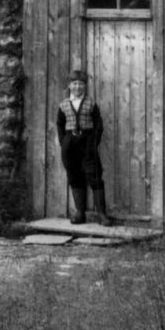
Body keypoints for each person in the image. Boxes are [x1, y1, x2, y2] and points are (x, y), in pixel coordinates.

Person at [56, 70, 112, 225]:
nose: (77, 87)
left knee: (94, 175)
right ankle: (80, 213)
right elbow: (60, 124)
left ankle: (102, 214)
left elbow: (98, 125)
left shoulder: (91, 103)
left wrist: (93, 142)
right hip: (70, 144)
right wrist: (64, 141)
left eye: (81, 84)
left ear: (85, 86)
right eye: (74, 84)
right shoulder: (64, 105)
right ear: (69, 85)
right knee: (74, 176)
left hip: (88, 143)